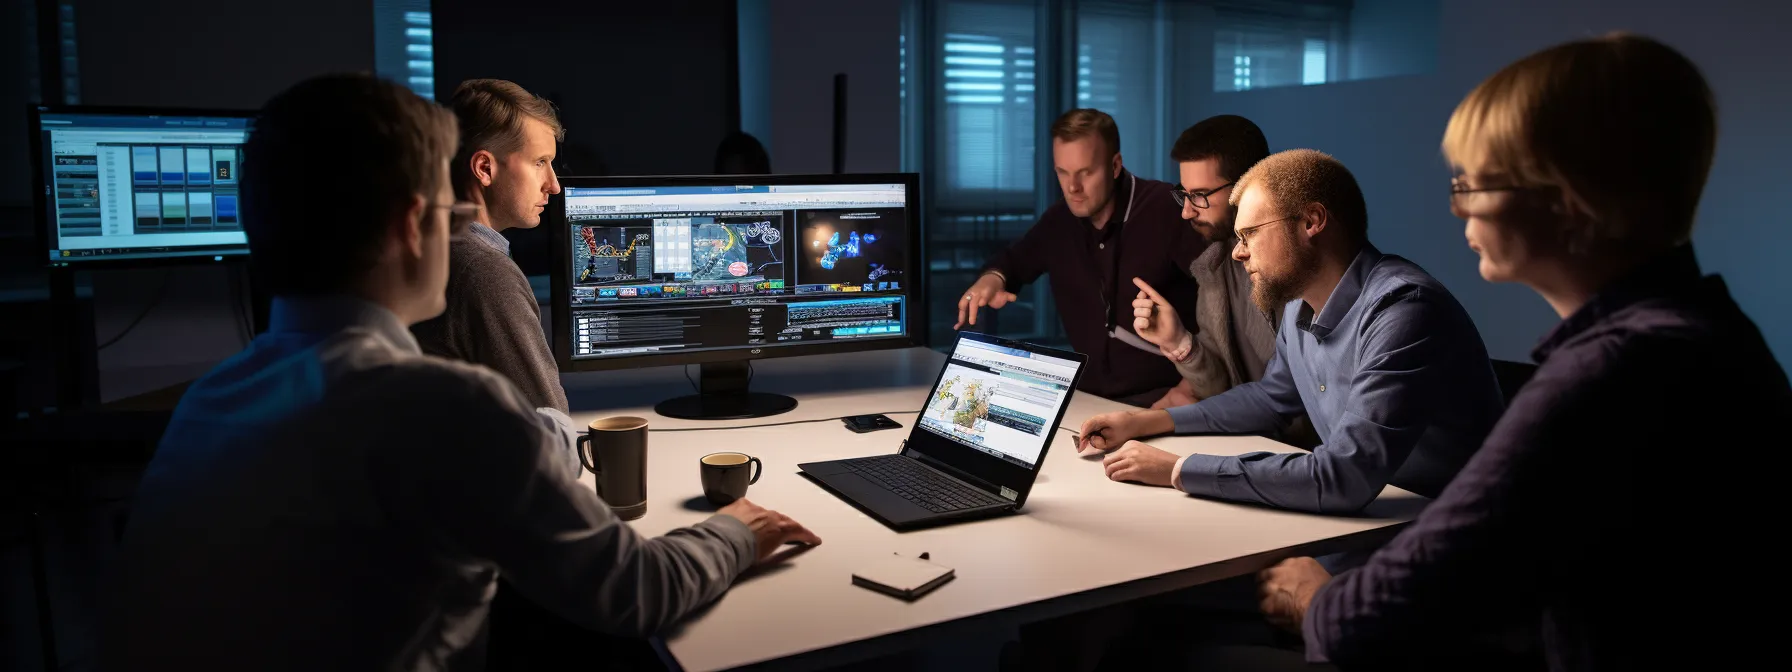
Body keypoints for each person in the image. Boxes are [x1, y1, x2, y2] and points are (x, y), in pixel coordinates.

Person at [99, 73, 820, 671]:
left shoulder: (208, 402)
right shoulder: (444, 410)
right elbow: (635, 590)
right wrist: (739, 528)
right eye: (449, 210)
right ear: (416, 225)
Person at [1257, 33, 1792, 671]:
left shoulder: (1610, 374)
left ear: (1570, 198)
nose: (1458, 209)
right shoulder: (1711, 332)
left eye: (1474, 184)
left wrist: (1315, 599)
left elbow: (1367, 618)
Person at [1079, 148, 1503, 514]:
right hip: (1373, 522)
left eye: (1249, 235)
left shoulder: (1403, 311)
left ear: (1312, 221)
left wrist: (1178, 469)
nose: (1239, 253)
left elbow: (1344, 476)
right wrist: (1146, 422)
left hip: (1446, 539)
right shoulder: (1300, 306)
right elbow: (1269, 398)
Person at [959, 108, 1204, 406]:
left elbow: (1227, 305)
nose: (1072, 188)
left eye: (1086, 173)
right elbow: (1014, 261)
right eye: (1063, 173)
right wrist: (992, 278)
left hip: (1167, 400)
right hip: (1088, 402)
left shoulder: (1168, 210)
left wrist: (1190, 388)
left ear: (1115, 166)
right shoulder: (1059, 221)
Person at [411, 79, 569, 436]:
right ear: (485, 168)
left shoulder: (434, 251)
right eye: (540, 162)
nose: (553, 184)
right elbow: (550, 437)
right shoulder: (483, 271)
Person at [1131, 115, 1279, 414]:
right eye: (1184, 195)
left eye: (1199, 196)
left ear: (1247, 186)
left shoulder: (1299, 271)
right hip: (1250, 441)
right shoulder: (1212, 268)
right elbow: (1217, 392)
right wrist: (1179, 342)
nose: (1186, 212)